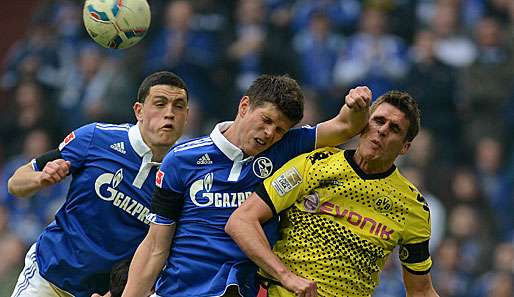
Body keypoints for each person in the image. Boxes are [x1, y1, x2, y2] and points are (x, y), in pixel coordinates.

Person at [122, 75, 372, 297]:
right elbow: (156, 244)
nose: (269, 133)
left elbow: (346, 126)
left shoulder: (285, 149)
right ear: (244, 106)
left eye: (280, 130)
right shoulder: (181, 159)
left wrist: (357, 104)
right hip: (179, 289)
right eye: (266, 120)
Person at [226, 91, 440, 297]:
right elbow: (241, 221)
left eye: (394, 128)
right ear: (364, 125)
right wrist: (286, 277)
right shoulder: (314, 164)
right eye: (378, 121)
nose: (382, 130)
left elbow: (420, 290)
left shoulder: (412, 207)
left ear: (405, 147)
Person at [7, 71, 189, 297]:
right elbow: (16, 182)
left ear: (187, 115)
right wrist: (40, 179)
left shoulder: (184, 174)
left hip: (103, 294)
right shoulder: (95, 138)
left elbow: (162, 251)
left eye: (178, 106)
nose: (169, 114)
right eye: (160, 104)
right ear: (139, 111)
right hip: (48, 275)